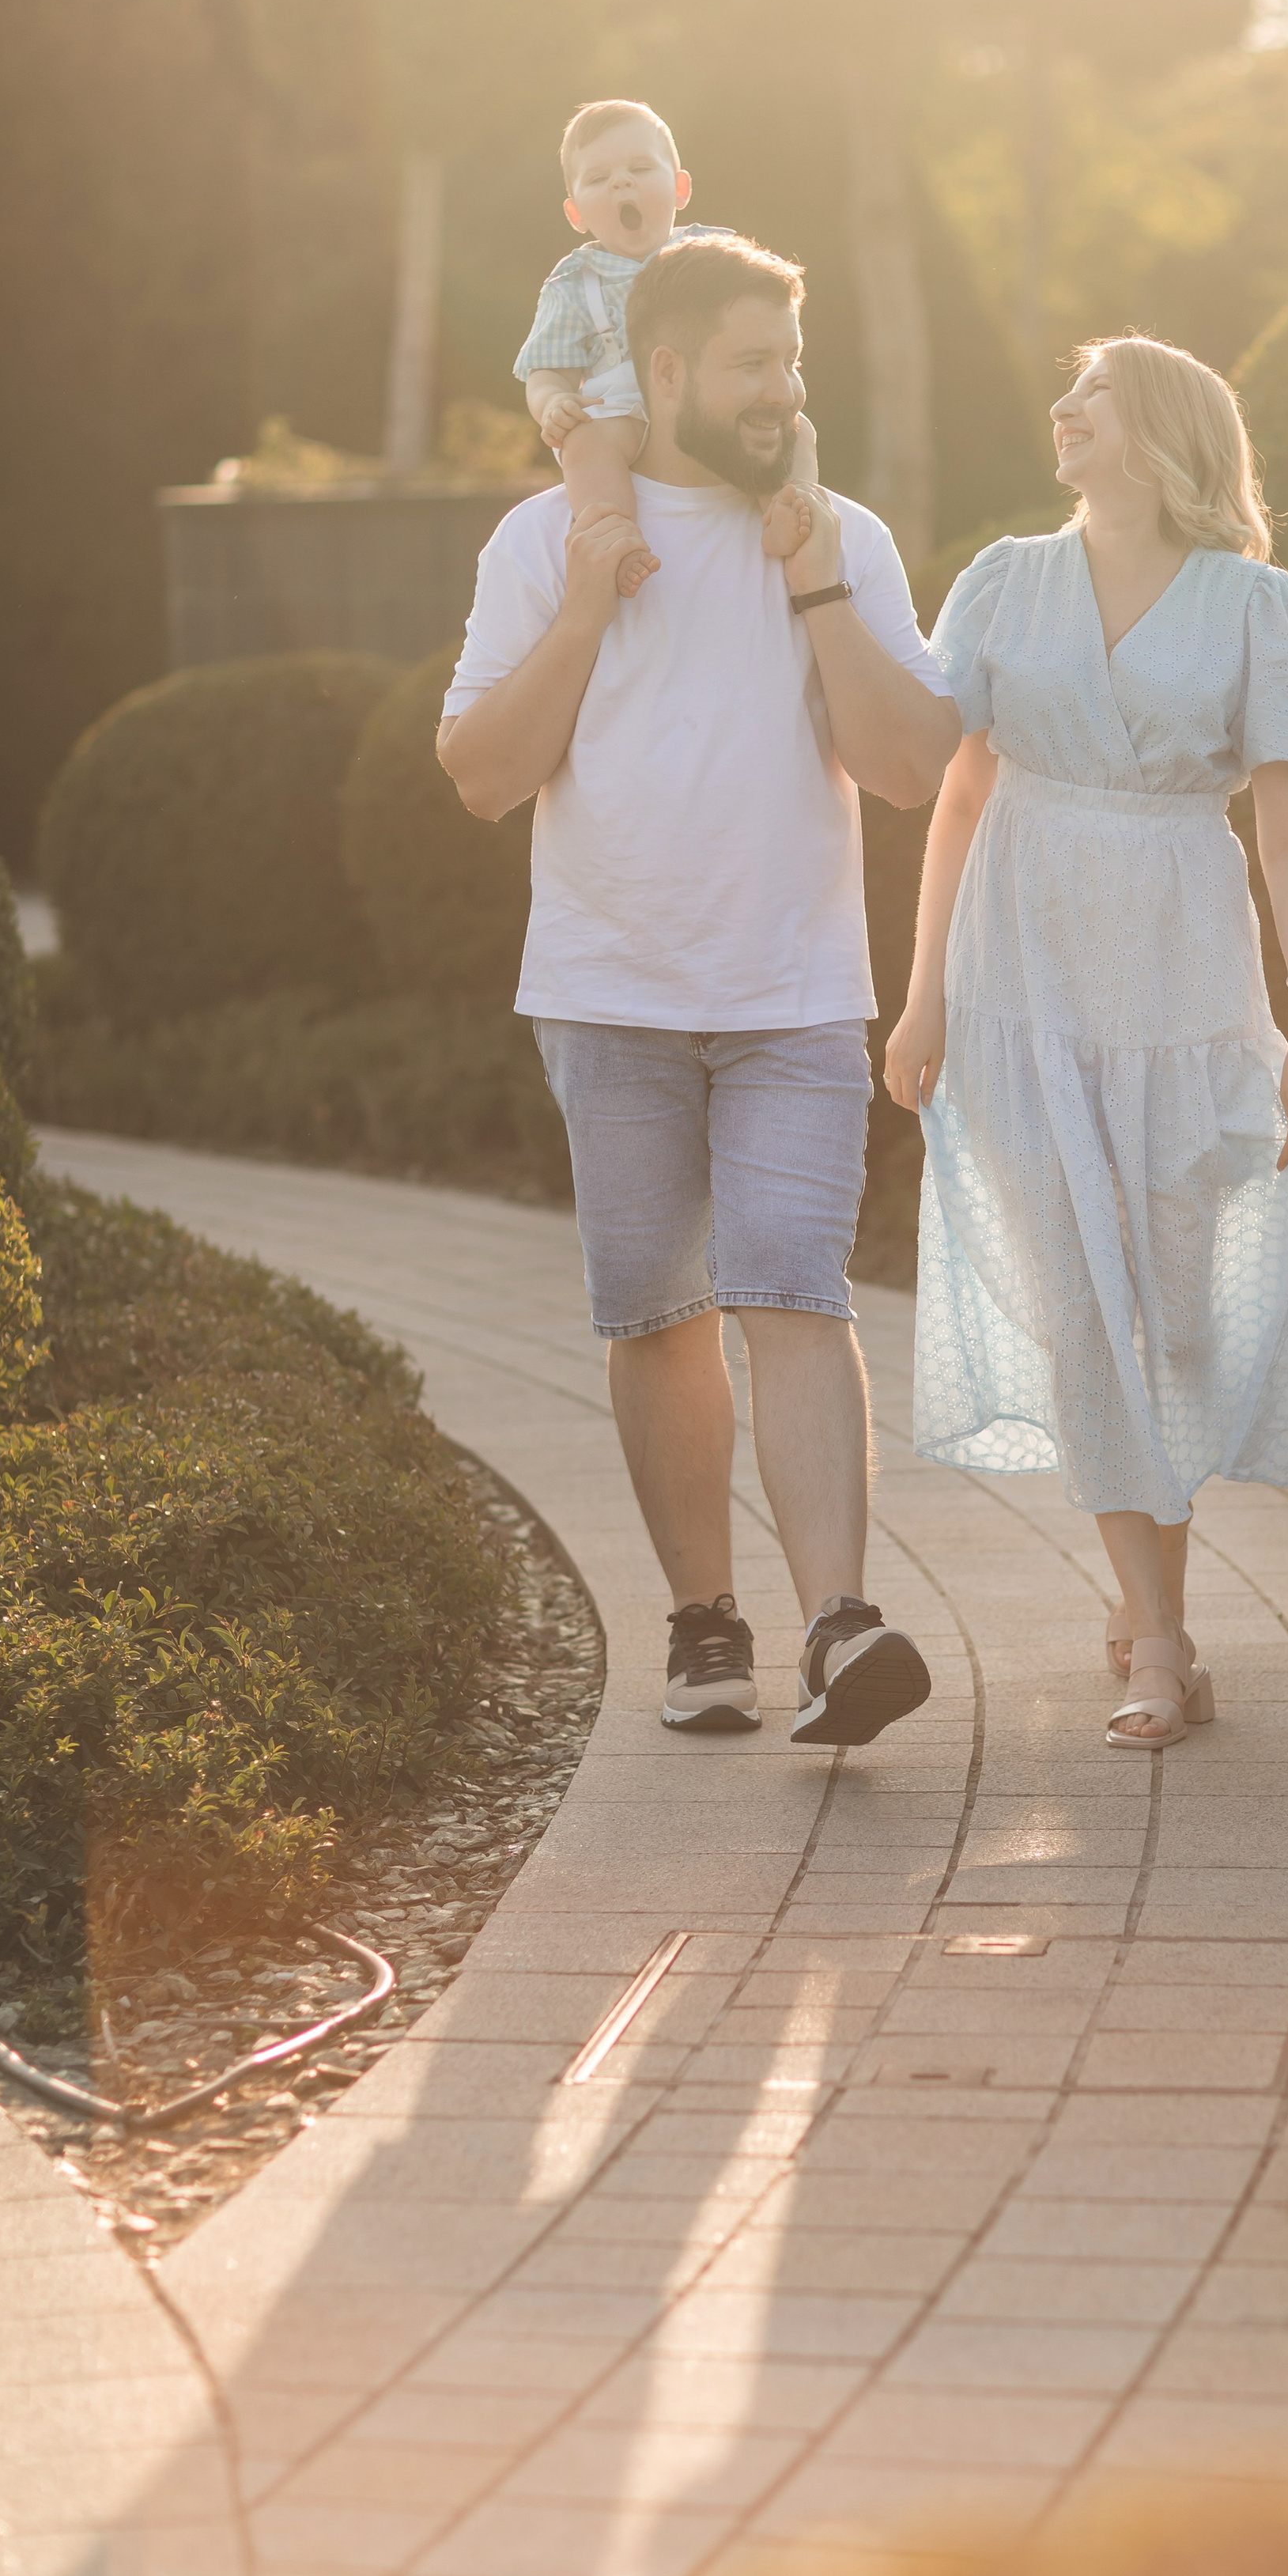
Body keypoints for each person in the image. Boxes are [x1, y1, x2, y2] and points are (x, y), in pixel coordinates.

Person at [441, 232, 961, 1745]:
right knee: (657, 1312)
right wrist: (591, 609)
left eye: (792, 364)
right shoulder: (544, 543)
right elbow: (480, 774)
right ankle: (703, 1624)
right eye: (751, 362)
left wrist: (816, 593)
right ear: (661, 371)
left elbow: (913, 769)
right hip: (610, 997)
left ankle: (840, 1626)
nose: (780, 391)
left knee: (794, 1289)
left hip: (796, 997)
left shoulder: (839, 533)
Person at [883, 335, 1288, 1752]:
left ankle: (1151, 1587)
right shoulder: (1001, 581)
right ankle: (1160, 1635)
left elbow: (1286, 824)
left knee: (1177, 1302)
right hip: (1019, 966)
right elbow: (954, 795)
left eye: (1091, 395)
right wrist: (920, 995)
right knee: (1087, 1299)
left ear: (1155, 434)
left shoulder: (1257, 606)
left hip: (1179, 974)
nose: (1061, 411)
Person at [515, 97, 817, 600]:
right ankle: (616, 537)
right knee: (585, 445)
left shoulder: (716, 254)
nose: (621, 184)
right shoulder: (574, 284)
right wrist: (553, 404)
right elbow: (547, 370)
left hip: (712, 393)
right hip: (624, 403)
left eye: (639, 168)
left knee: (797, 429)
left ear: (680, 188)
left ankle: (791, 505)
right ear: (576, 214)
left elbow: (763, 318)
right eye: (598, 179)